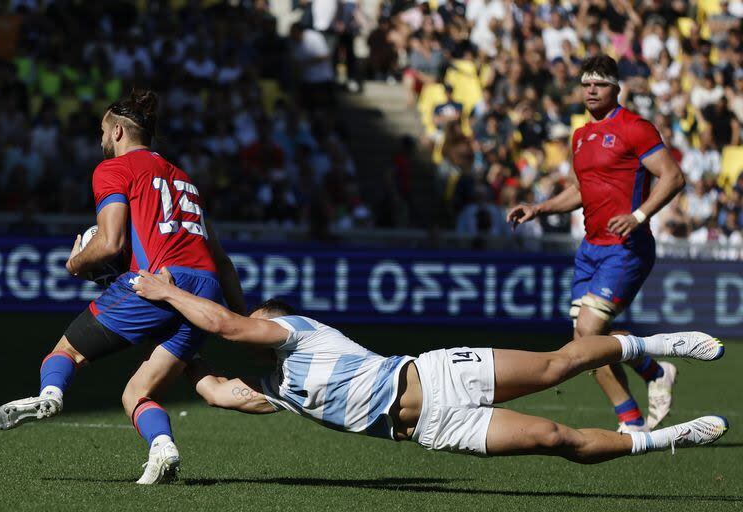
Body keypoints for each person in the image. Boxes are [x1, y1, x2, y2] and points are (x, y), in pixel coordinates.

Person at [132, 269, 727, 463]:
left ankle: (663, 343)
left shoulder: (295, 331)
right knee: (556, 437)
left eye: (261, 321)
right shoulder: (277, 385)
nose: (254, 329)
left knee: (555, 365)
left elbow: (229, 324)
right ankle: (673, 436)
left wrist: (167, 293)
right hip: (432, 428)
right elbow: (219, 393)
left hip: (434, 374)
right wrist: (175, 356)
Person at [0, 90, 246, 485]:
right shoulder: (183, 178)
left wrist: (75, 262)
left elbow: (110, 243)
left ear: (119, 132)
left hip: (158, 284)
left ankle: (50, 395)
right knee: (137, 394)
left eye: (103, 132)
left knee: (66, 352)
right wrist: (239, 322)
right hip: (204, 290)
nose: (101, 140)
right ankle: (163, 446)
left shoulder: (113, 169)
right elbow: (222, 261)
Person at [506, 56, 686, 433]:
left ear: (616, 88)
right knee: (586, 343)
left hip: (627, 247)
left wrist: (639, 216)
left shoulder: (635, 128)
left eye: (599, 84)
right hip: (590, 249)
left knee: (587, 335)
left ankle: (648, 384)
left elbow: (672, 177)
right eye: (586, 83)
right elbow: (580, 190)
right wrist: (539, 207)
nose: (590, 90)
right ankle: (634, 416)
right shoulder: (580, 136)